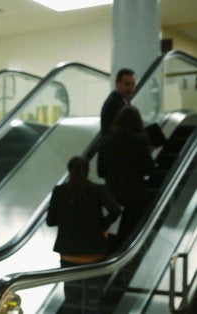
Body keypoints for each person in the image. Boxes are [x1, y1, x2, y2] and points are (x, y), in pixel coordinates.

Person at [47, 156, 121, 312]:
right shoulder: (98, 189)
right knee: (92, 296)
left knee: (72, 296)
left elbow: (51, 221)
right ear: (89, 170)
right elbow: (115, 210)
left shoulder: (59, 191)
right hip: (93, 252)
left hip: (68, 253)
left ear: (69, 171)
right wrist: (102, 226)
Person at [97, 106, 157, 247]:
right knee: (133, 236)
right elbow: (149, 170)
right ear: (138, 122)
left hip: (112, 197)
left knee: (114, 238)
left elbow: (101, 172)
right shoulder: (140, 141)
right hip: (135, 197)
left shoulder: (105, 142)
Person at [100, 68, 136, 137]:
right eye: (127, 84)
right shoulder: (113, 104)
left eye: (133, 84)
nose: (131, 88)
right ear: (117, 84)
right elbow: (121, 133)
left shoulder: (122, 100)